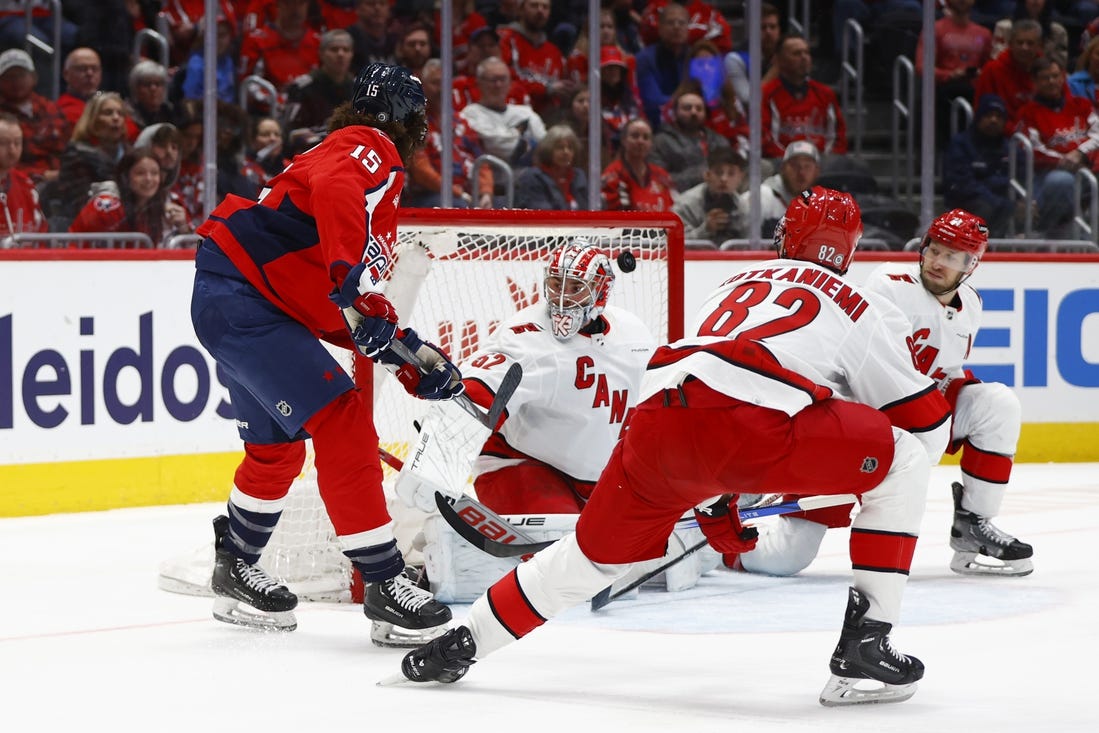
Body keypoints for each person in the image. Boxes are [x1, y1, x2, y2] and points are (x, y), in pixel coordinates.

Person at [396, 187, 953, 708]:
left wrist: (715, 498)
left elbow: (705, 401)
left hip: (657, 429)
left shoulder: (736, 279)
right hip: (748, 432)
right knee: (903, 460)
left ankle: (462, 642)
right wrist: (842, 467)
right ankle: (865, 651)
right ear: (848, 252)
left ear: (784, 236)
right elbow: (926, 429)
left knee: (587, 561)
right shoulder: (856, 301)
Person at [189, 63, 464, 646]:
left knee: (275, 451)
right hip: (247, 303)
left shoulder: (340, 152)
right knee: (342, 419)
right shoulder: (369, 146)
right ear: (403, 118)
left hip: (242, 298)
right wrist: (356, 286)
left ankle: (236, 563)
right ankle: (386, 583)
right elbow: (342, 206)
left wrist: (408, 359)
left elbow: (336, 310)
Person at [732, 209, 1033, 579]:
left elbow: (946, 373)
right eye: (935, 250)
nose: (938, 262)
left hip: (916, 421)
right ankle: (723, 548)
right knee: (783, 560)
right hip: (857, 427)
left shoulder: (971, 304)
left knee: (996, 404)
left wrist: (928, 427)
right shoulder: (889, 284)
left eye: (952, 257)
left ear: (971, 264)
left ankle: (973, 525)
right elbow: (865, 372)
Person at [395, 239, 656, 517]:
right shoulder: (527, 336)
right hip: (518, 462)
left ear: (600, 291)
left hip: (598, 480)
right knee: (558, 549)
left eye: (576, 288)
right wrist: (440, 454)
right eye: (556, 284)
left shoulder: (633, 334)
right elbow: (478, 392)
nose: (563, 299)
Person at [1016, 56, 1099, 238]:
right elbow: (1033, 148)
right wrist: (1065, 160)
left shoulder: (1081, 104)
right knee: (1060, 181)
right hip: (1049, 173)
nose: (1052, 82)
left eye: (1055, 76)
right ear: (1035, 81)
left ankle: (1087, 237)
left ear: (1063, 77)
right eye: (1045, 78)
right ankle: (1047, 232)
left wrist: (1080, 153)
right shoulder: (1028, 112)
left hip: (1087, 168)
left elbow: (1097, 134)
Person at [68, 147, 192, 248]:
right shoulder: (105, 207)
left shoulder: (167, 208)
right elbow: (76, 246)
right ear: (125, 177)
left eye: (154, 173)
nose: (148, 179)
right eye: (140, 173)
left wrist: (184, 229)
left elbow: (195, 254)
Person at [761, 33, 848, 161]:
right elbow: (765, 139)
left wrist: (822, 161)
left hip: (822, 164)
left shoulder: (825, 93)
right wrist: (792, 163)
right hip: (781, 164)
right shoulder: (767, 94)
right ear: (779, 60)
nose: (804, 57)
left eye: (806, 53)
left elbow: (838, 136)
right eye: (796, 53)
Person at [943, 94, 1017, 238]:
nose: (993, 120)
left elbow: (1020, 178)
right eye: (988, 115)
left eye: (998, 116)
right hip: (967, 202)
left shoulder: (1009, 148)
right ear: (978, 117)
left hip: (1000, 202)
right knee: (986, 207)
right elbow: (962, 184)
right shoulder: (961, 144)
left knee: (1016, 208)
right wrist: (997, 200)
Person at [459, 57, 547, 166]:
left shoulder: (525, 112)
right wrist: (520, 135)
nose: (498, 85)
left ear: (510, 83)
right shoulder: (469, 114)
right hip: (492, 178)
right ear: (479, 83)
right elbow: (498, 146)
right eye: (493, 80)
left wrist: (512, 138)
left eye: (503, 79)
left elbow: (546, 146)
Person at [0, 48, 70, 184]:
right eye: (9, 76)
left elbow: (67, 149)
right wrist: (41, 175)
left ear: (34, 78)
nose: (16, 81)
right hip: (16, 184)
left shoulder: (50, 108)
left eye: (21, 75)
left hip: (61, 183)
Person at [650, 85, 730, 192]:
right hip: (677, 198)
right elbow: (658, 180)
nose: (693, 112)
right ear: (675, 112)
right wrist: (699, 176)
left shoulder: (719, 141)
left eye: (699, 109)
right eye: (687, 108)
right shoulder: (661, 142)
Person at [972, 19, 1042, 130]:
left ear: (1039, 45)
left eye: (1030, 43)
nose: (1024, 48)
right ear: (1010, 44)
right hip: (1004, 136)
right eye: (1020, 42)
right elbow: (982, 114)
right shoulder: (992, 70)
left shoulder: (1049, 70)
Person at [673, 147, 748, 244]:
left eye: (731, 173)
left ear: (740, 178)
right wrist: (705, 229)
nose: (724, 179)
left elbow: (748, 245)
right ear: (707, 175)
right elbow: (673, 242)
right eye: (718, 173)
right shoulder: (685, 205)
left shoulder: (744, 207)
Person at [513, 124, 589, 210]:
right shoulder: (532, 177)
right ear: (548, 149)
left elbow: (589, 207)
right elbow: (542, 212)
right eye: (560, 147)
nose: (566, 152)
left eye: (570, 148)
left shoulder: (579, 176)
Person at [758, 140, 822, 237]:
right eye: (794, 165)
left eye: (807, 166)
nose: (801, 172)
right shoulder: (762, 196)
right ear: (783, 168)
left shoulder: (822, 203)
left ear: (817, 171)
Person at [0, 112, 47, 241]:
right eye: (3, 143)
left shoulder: (25, 184)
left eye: (17, 142)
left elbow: (41, 235)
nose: (12, 150)